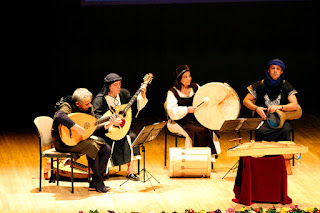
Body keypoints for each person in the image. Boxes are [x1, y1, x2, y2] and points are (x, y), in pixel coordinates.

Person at [51, 88, 119, 193]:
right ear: (77, 104)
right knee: (92, 146)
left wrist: (108, 125)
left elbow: (91, 128)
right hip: (63, 142)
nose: (90, 105)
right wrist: (74, 126)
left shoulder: (87, 109)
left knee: (106, 148)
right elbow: (59, 116)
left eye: (90, 103)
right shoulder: (67, 105)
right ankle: (98, 179)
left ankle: (95, 180)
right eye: (87, 104)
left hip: (80, 140)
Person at [92, 73, 148, 181]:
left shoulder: (123, 94)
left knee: (132, 137)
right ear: (109, 86)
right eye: (115, 85)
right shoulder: (100, 99)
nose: (118, 87)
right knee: (106, 141)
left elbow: (135, 105)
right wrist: (111, 122)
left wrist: (143, 95)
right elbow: (96, 119)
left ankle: (130, 170)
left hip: (123, 127)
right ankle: (103, 169)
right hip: (107, 129)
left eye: (119, 84)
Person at [165, 65, 220, 158]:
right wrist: (187, 109)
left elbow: (207, 96)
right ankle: (193, 159)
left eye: (189, 76)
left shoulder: (195, 87)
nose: (188, 79)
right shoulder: (172, 92)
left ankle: (207, 158)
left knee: (208, 128)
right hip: (180, 120)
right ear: (179, 79)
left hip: (195, 119)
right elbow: (171, 110)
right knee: (196, 131)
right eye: (185, 77)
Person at [243, 59, 299, 141]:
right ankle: (265, 153)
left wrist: (279, 107)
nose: (275, 71)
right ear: (268, 70)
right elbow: (245, 101)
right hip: (263, 119)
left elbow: (295, 105)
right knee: (261, 131)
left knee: (285, 129)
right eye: (273, 68)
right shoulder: (260, 85)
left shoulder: (286, 86)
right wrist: (256, 108)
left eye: (278, 69)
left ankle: (282, 153)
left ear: (281, 72)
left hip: (280, 119)